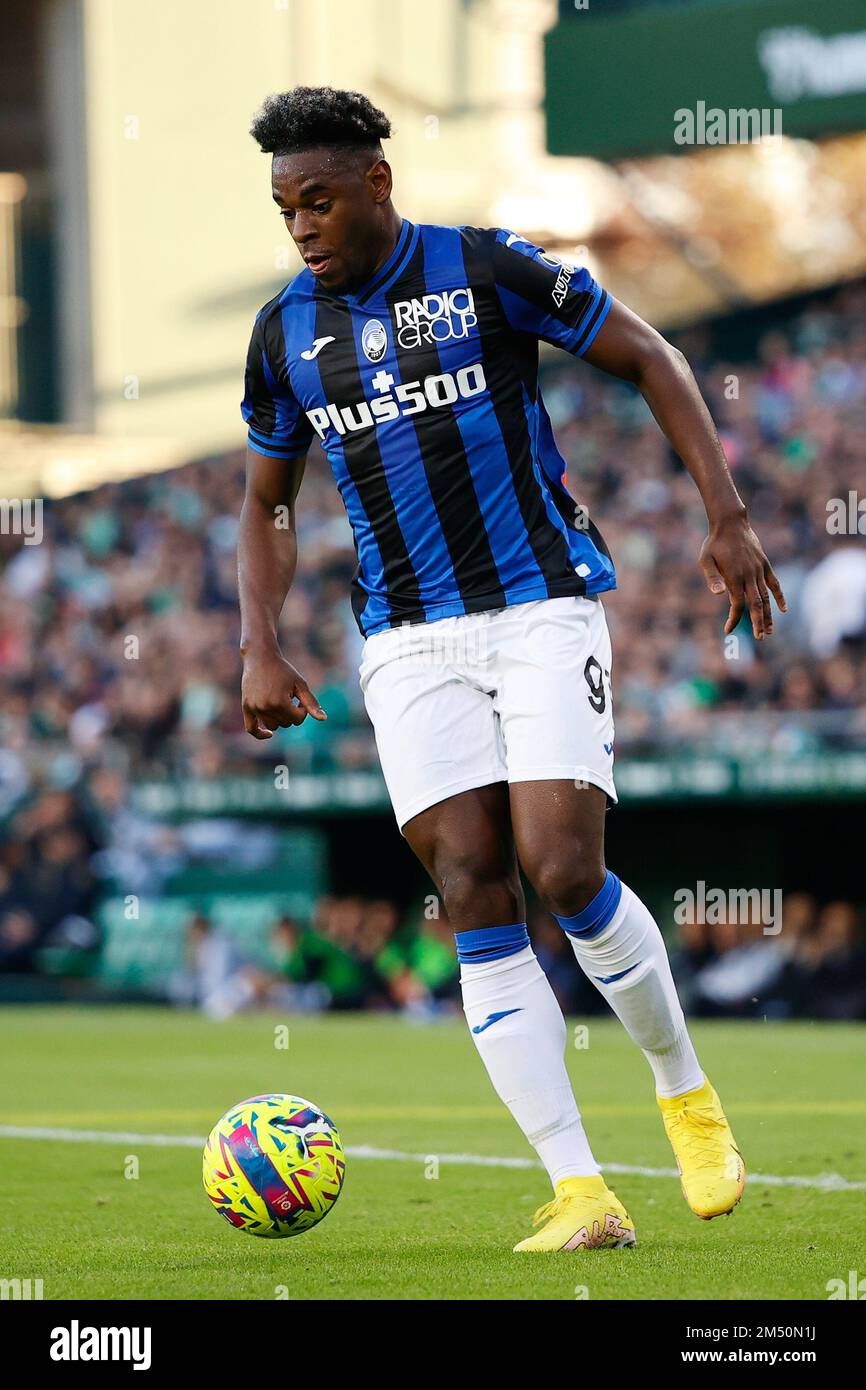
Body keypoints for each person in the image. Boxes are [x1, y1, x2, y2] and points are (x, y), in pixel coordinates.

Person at [236, 86, 786, 1253]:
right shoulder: (285, 331)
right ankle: (579, 1190)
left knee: (561, 868)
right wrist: (260, 641)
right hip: (404, 638)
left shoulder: (484, 269)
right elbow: (264, 503)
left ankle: (686, 1097)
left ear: (375, 184)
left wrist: (725, 514)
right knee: (475, 892)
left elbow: (649, 354)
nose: (300, 226)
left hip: (538, 604)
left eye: (317, 201)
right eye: (285, 208)